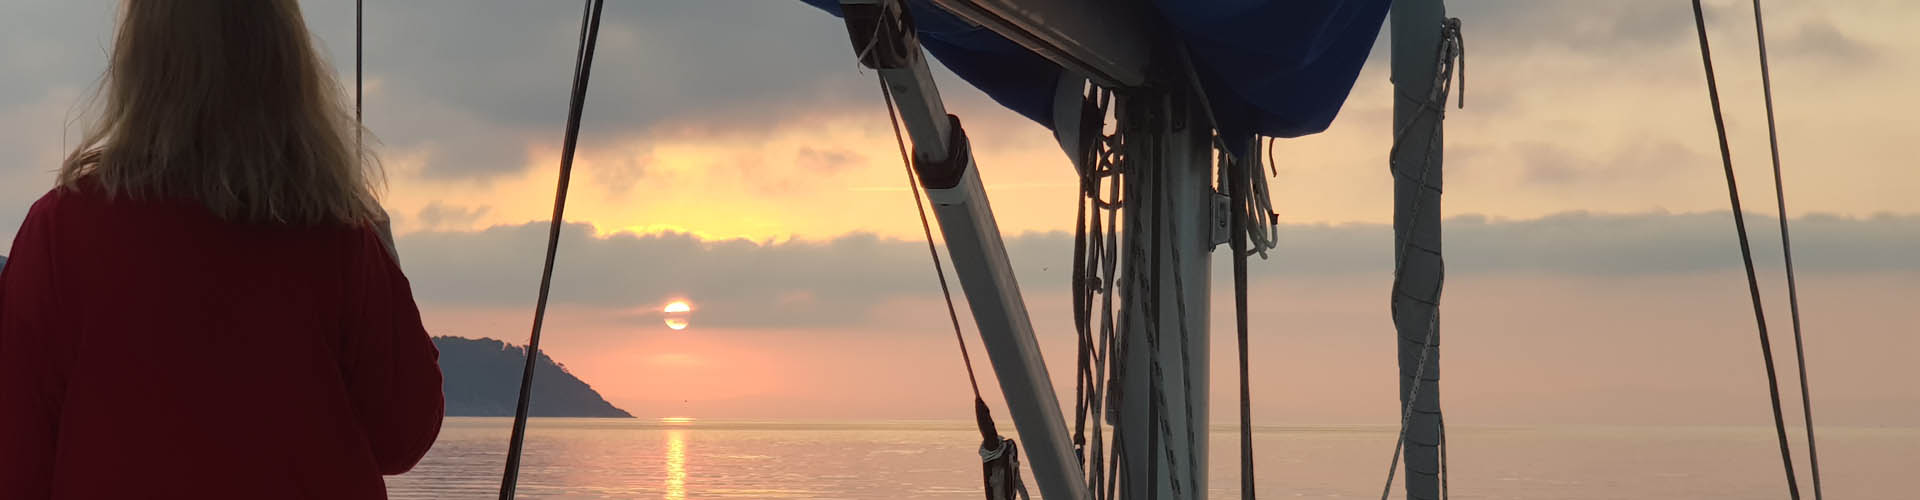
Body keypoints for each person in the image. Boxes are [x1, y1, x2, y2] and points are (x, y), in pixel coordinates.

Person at [0, 1, 444, 498]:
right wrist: (382, 249)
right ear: (283, 63)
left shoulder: (58, 233)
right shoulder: (336, 235)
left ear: (139, 64)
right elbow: (402, 437)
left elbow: (15, 463)